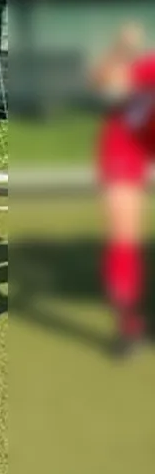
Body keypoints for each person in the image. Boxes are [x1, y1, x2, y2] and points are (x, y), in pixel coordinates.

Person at [93, 22, 153, 356]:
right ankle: (127, 323)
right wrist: (121, 46)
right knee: (125, 235)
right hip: (126, 152)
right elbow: (105, 80)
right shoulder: (144, 66)